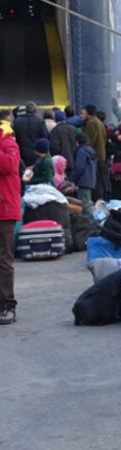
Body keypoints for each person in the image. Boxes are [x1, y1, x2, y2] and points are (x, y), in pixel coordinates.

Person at [0, 129, 21, 325]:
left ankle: (8, 305)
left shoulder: (8, 144)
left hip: (4, 211)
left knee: (4, 260)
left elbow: (8, 165)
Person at [81, 104, 108, 201]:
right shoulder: (99, 122)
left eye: (83, 113)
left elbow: (90, 140)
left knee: (95, 181)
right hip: (101, 155)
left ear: (88, 113)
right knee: (100, 180)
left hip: (94, 156)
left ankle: (97, 199)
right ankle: (102, 199)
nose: (81, 115)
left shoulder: (90, 123)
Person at [12, 102, 48, 167]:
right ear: (36, 111)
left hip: (21, 153)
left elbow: (14, 138)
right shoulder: (40, 122)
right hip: (35, 154)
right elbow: (44, 137)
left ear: (26, 110)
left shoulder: (17, 122)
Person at [72, 134, 97, 217]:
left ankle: (93, 224)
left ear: (77, 142)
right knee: (87, 203)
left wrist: (74, 179)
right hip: (91, 181)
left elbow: (79, 167)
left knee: (84, 206)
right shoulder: (91, 151)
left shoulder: (81, 151)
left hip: (83, 181)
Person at [49, 110, 77, 174]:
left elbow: (54, 147)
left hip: (60, 162)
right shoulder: (73, 129)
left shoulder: (55, 130)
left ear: (55, 119)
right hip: (73, 159)